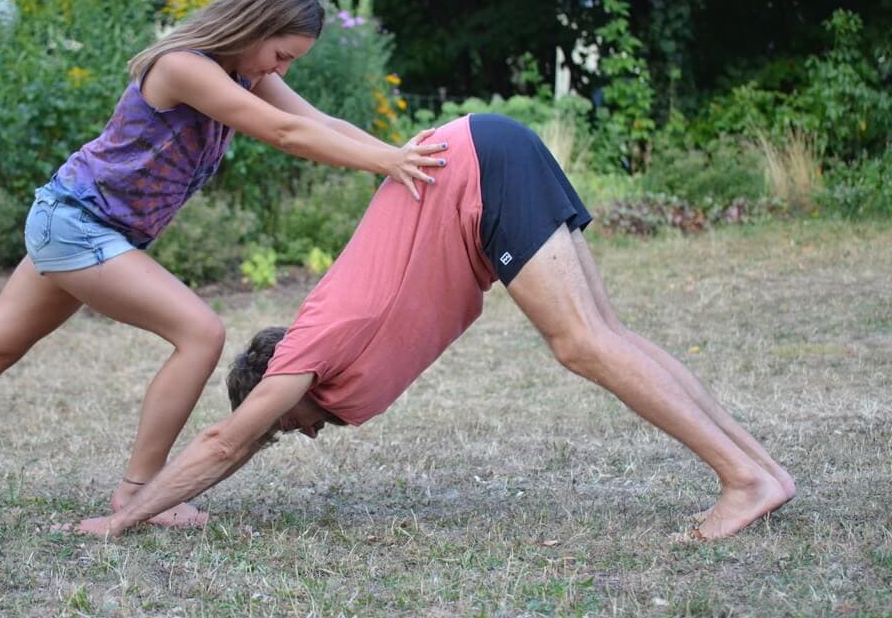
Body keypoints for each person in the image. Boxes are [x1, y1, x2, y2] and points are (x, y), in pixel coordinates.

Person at [0, 0, 446, 525]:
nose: (283, 70)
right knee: (200, 333)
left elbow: (320, 123)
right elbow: (284, 133)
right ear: (254, 26)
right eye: (282, 54)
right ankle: (141, 491)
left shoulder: (249, 74)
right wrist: (387, 162)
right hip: (78, 224)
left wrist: (402, 157)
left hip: (84, 224)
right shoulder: (183, 66)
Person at [74, 113, 795, 540]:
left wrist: (125, 515)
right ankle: (759, 470)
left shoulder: (306, 348)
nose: (308, 432)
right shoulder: (321, 359)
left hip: (475, 169)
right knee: (605, 333)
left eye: (289, 425)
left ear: (273, 379)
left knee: (582, 343)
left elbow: (225, 442)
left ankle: (740, 477)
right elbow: (244, 444)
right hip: (483, 154)